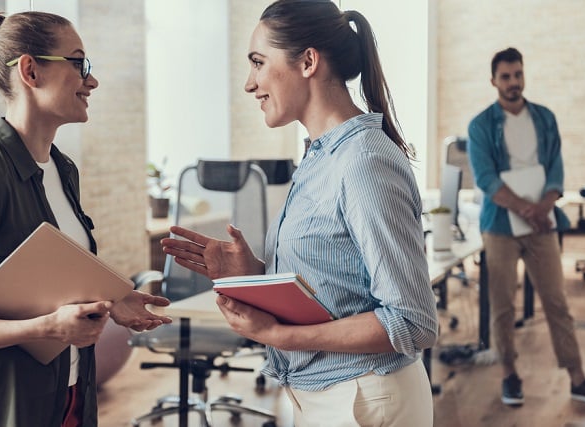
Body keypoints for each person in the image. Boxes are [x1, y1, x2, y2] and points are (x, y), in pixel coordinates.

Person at [161, 1, 437, 425]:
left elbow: (411, 321)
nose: (249, 84)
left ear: (308, 61)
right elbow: (336, 282)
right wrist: (253, 272)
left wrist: (279, 336)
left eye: (258, 63)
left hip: (366, 398)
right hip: (325, 394)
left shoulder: (363, 160)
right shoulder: (319, 156)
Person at [0, 9, 171, 426]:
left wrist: (114, 299)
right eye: (78, 63)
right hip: (3, 407)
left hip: (68, 392)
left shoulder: (62, 169)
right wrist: (46, 328)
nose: (92, 81)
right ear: (30, 72)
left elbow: (53, 276)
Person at [467, 47, 585, 409]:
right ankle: (509, 374)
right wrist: (524, 208)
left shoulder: (545, 118)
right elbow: (486, 178)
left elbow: (556, 171)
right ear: (493, 81)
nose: (513, 82)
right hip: (501, 225)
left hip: (542, 223)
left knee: (557, 302)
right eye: (506, 76)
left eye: (518, 74)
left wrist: (542, 208)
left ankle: (578, 378)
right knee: (502, 305)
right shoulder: (480, 125)